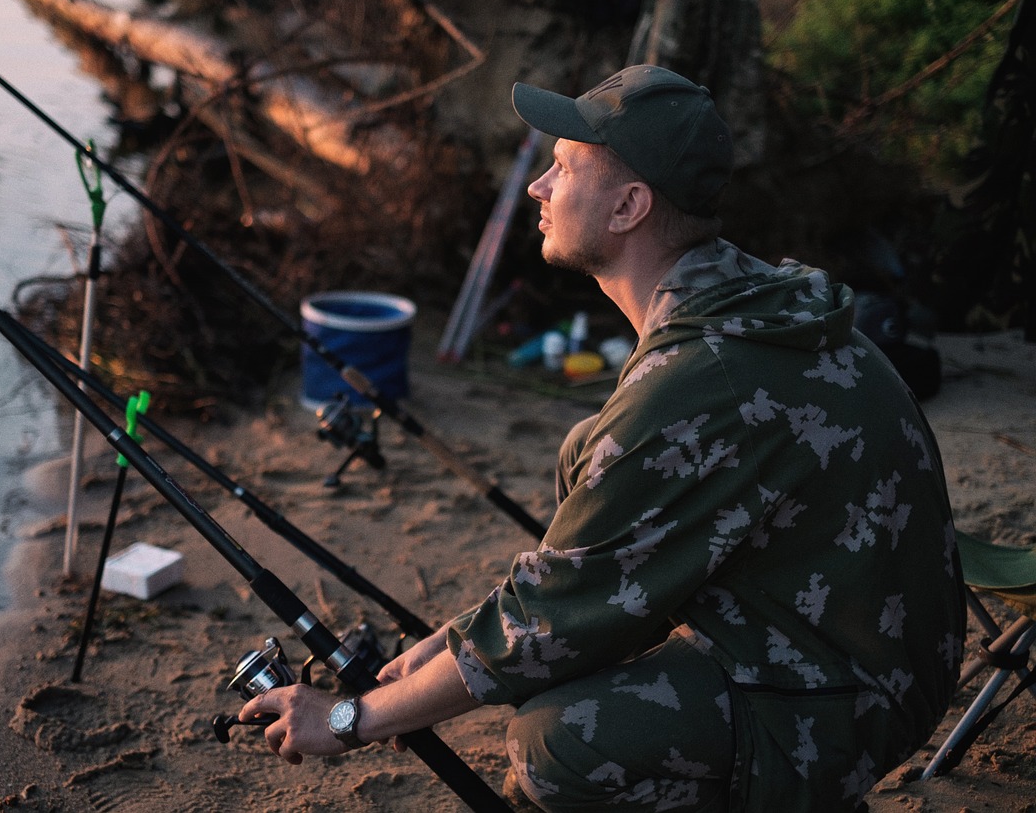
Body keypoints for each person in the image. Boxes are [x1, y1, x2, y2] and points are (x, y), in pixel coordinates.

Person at [240, 64, 966, 811]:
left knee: (559, 738)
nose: (537, 187)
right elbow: (580, 574)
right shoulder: (748, 298)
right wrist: (448, 644)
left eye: (561, 168)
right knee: (587, 445)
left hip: (852, 698)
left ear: (628, 206)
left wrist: (346, 717)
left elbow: (544, 616)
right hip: (860, 642)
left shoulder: (693, 381)